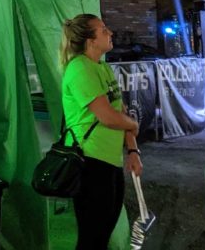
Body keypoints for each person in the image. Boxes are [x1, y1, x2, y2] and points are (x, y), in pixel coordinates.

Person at [61, 14, 142, 250]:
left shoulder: (102, 67)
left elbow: (121, 112)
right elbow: (108, 117)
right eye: (104, 30)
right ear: (90, 40)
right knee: (92, 237)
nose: (110, 33)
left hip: (109, 163)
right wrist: (133, 126)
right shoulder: (79, 69)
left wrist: (133, 150)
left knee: (103, 232)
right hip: (90, 163)